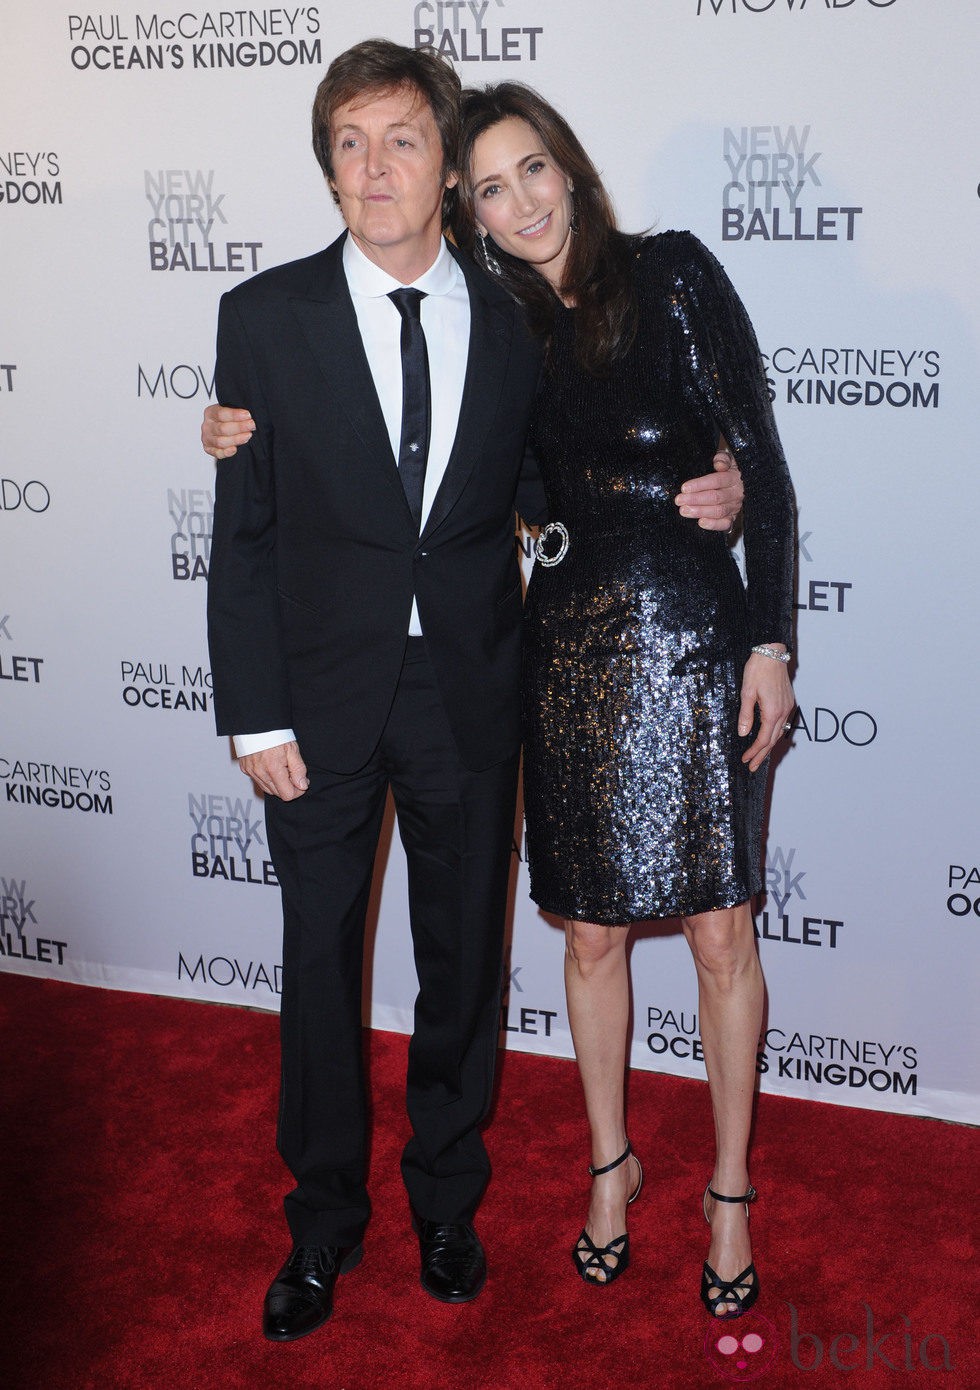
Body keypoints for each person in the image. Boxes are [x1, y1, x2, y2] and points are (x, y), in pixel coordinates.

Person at [202, 41, 744, 1344]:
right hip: (318, 701)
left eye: (400, 140)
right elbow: (246, 532)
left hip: (472, 686)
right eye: (348, 142)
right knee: (319, 967)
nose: (374, 167)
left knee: (463, 963)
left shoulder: (517, 320)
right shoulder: (261, 318)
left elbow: (564, 485)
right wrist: (253, 710)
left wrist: (700, 495)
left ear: (448, 165)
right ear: (325, 164)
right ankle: (322, 1221)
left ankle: (449, 1196)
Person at [450, 84, 795, 1320]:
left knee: (717, 933)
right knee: (588, 935)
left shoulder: (671, 276)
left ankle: (729, 1188)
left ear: (569, 168)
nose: (520, 201)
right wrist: (247, 430)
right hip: (571, 654)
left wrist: (771, 641)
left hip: (700, 645)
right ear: (471, 214)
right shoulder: (492, 330)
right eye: (489, 187)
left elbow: (761, 466)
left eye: (531, 168)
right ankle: (612, 1165)